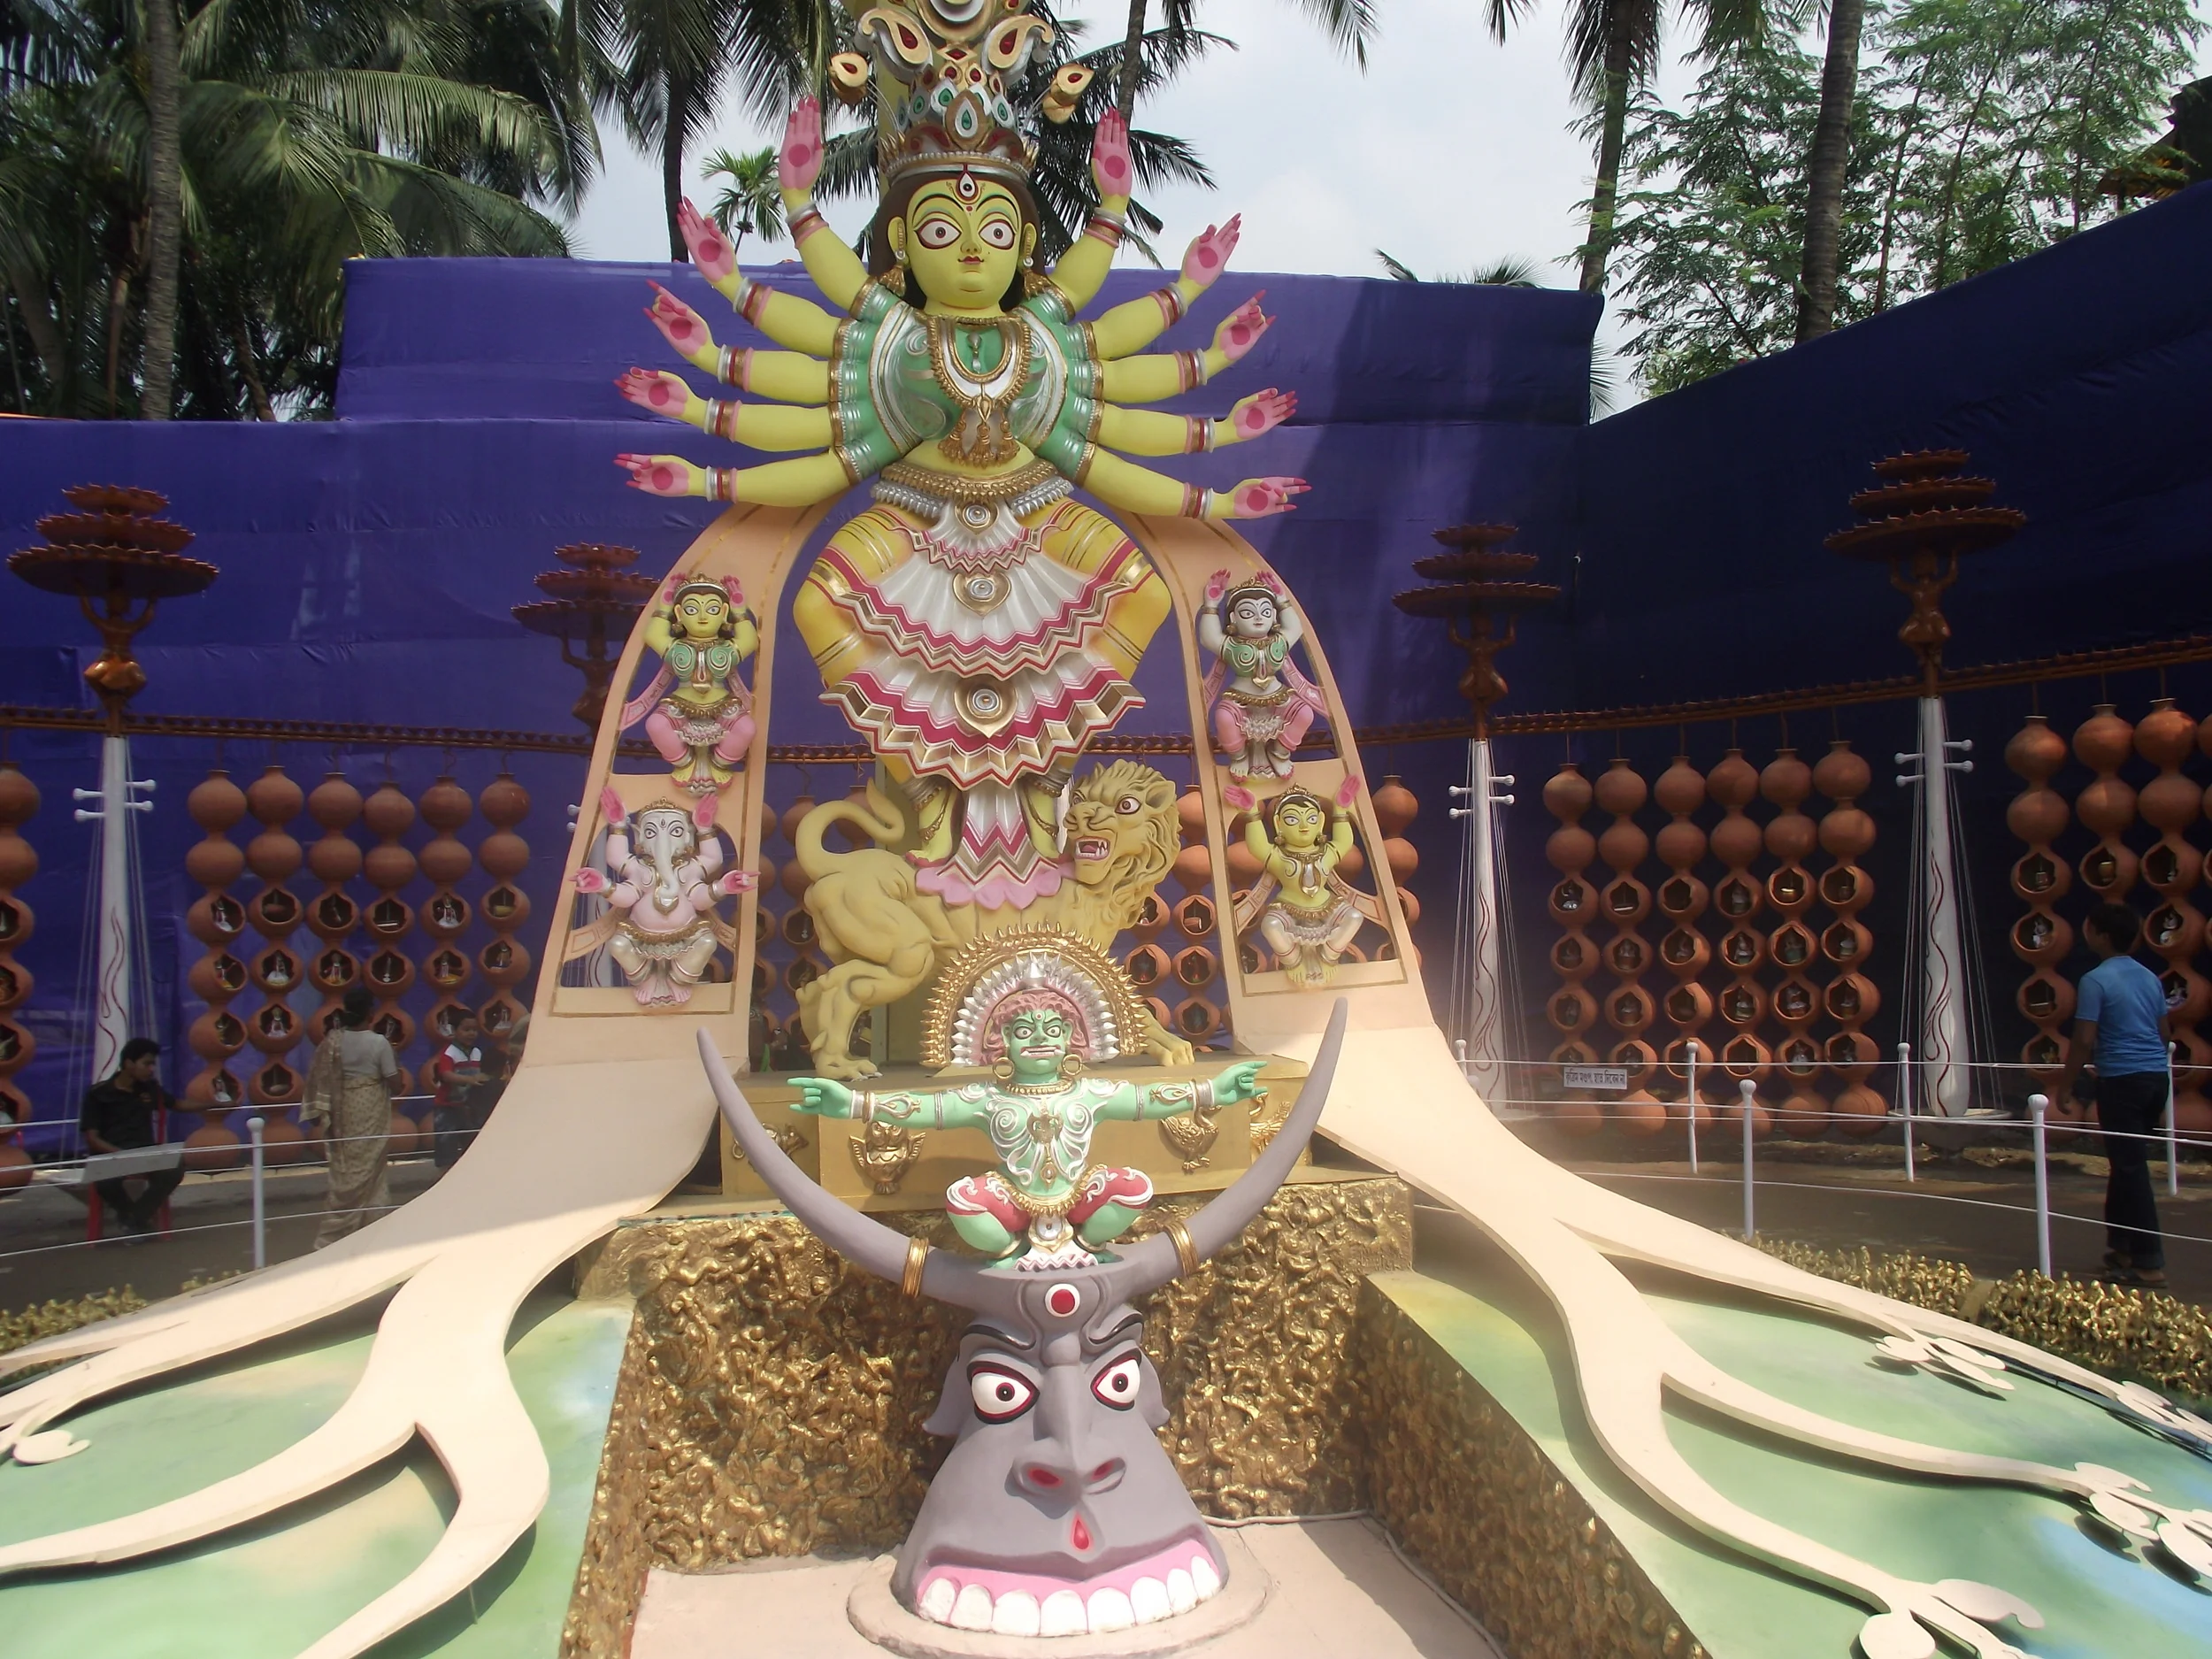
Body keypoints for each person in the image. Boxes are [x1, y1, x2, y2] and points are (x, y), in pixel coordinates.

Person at [2056, 901, 2174, 1288]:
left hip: (2122, 1081)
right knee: (2126, 1164)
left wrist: (2066, 1084)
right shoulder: (2149, 978)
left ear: (2101, 935)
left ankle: (2148, 1261)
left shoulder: (2095, 980)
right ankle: (2120, 1247)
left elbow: (2084, 1038)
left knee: (2130, 1169)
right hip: (2155, 1077)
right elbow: (2163, 1034)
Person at [301, 986, 399, 1248]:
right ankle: (372, 1235)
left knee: (348, 1168)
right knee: (371, 1169)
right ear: (371, 1012)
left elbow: (318, 1076)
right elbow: (395, 1083)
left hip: (344, 1110)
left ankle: (342, 1232)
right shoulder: (379, 1043)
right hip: (370, 1108)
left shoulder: (333, 1041)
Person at [79, 1037, 183, 1237]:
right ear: (128, 1063)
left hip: (145, 1152)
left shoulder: (150, 1088)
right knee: (105, 1183)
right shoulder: (98, 1094)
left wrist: (213, 1104)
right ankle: (135, 1221)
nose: (151, 1069)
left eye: (153, 1063)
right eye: (147, 1063)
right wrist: (121, 1155)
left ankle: (134, 1220)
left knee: (174, 1169)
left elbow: (178, 1105)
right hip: (111, 1155)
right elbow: (92, 1138)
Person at [430, 1009, 487, 1171]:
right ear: (454, 1031)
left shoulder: (477, 1052)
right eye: (466, 1029)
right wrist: (470, 1080)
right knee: (446, 1147)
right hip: (446, 1107)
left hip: (468, 1107)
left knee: (471, 1145)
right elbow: (446, 1075)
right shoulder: (448, 1053)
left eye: (474, 1030)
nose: (471, 1034)